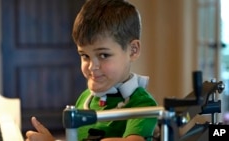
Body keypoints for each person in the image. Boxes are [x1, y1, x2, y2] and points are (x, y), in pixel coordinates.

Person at [25, 0, 158, 141]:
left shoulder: (142, 104)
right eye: (85, 56)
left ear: (133, 50)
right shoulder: (85, 97)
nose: (91, 66)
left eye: (103, 55)